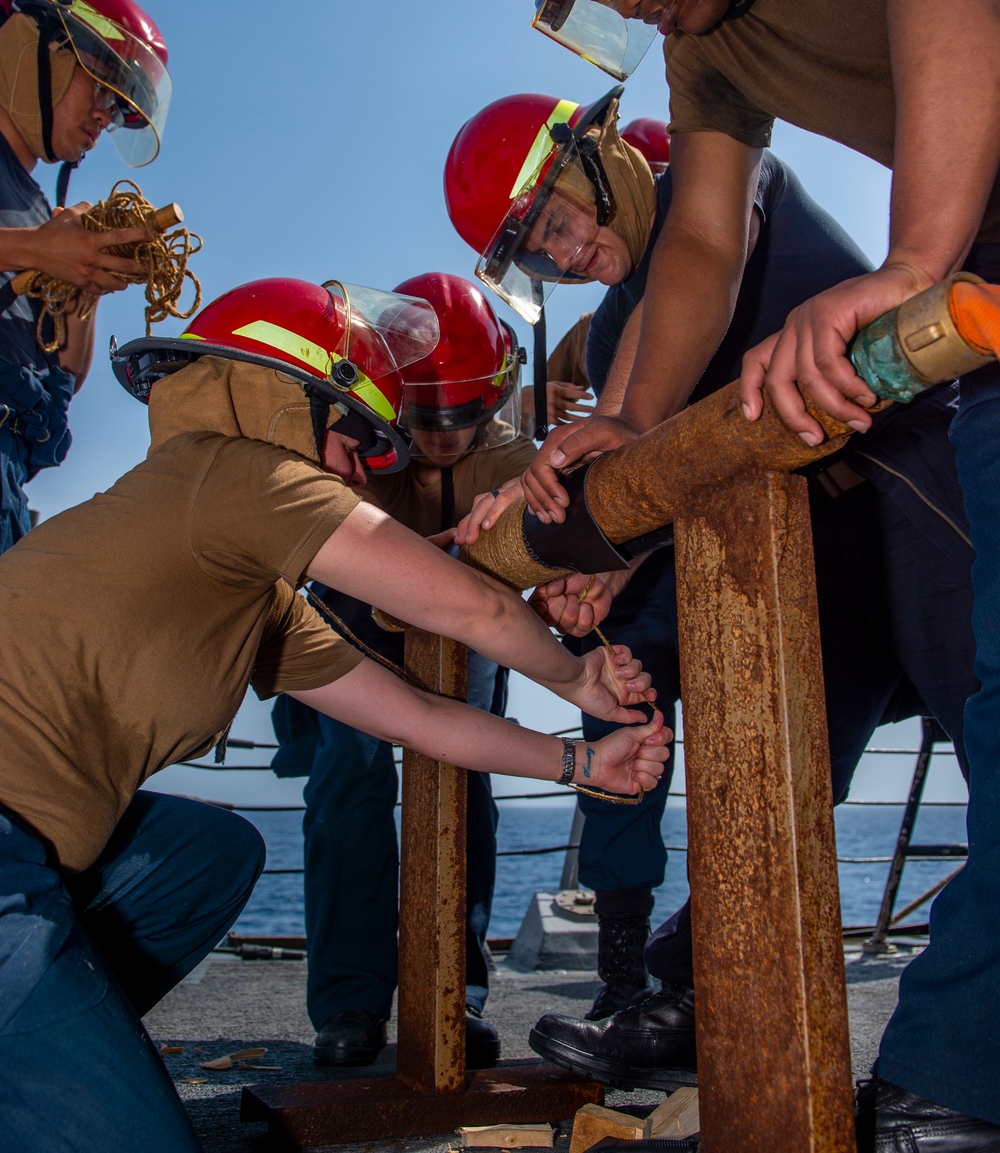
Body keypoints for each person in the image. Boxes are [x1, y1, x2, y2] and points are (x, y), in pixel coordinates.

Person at [460, 0, 1000, 1142]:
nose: (628, 2)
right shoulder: (710, 55)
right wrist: (622, 436)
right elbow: (700, 239)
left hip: (946, 342)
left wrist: (916, 256)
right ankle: (930, 1082)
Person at [0, 273, 669, 1152]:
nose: (364, 469)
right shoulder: (239, 472)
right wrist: (582, 682)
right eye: (354, 439)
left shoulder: (257, 598)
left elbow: (415, 720)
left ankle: (52, 1038)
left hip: (33, 852)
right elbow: (472, 612)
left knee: (215, 851)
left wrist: (581, 765)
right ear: (285, 402)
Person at [449, 84, 980, 1104]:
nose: (563, 254)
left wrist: (626, 422)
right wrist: (588, 558)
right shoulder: (608, 346)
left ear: (601, 161)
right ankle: (700, 1003)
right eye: (539, 252)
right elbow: (664, 468)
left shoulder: (719, 178)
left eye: (559, 220)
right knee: (771, 783)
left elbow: (691, 272)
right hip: (801, 552)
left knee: (996, 741)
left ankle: (954, 1066)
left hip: (912, 486)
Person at [271, 271, 538, 1068]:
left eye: (468, 415)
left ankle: (456, 993)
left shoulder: (516, 456)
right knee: (346, 782)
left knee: (466, 781)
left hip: (468, 626)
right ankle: (349, 1005)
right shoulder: (346, 440)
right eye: (427, 417)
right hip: (350, 618)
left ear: (496, 394)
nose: (448, 434)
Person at [0, 0, 171, 552]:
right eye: (103, 86)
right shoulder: (36, 230)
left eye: (122, 109)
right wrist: (34, 250)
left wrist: (88, 286)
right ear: (36, 46)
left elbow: (64, 375)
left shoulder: (41, 210)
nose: (107, 115)